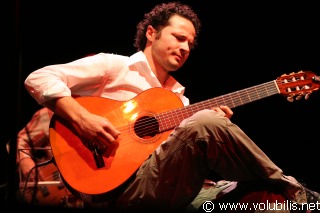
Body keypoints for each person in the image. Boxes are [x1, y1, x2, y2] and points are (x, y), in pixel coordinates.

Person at [24, 1, 320, 212]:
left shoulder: (180, 98)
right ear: (151, 33)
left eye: (190, 44)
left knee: (261, 200)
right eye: (179, 38)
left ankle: (281, 193)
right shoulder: (114, 66)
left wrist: (211, 125)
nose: (185, 48)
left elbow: (177, 151)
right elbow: (39, 77)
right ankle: (296, 191)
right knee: (204, 122)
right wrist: (83, 118)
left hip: (167, 188)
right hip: (116, 189)